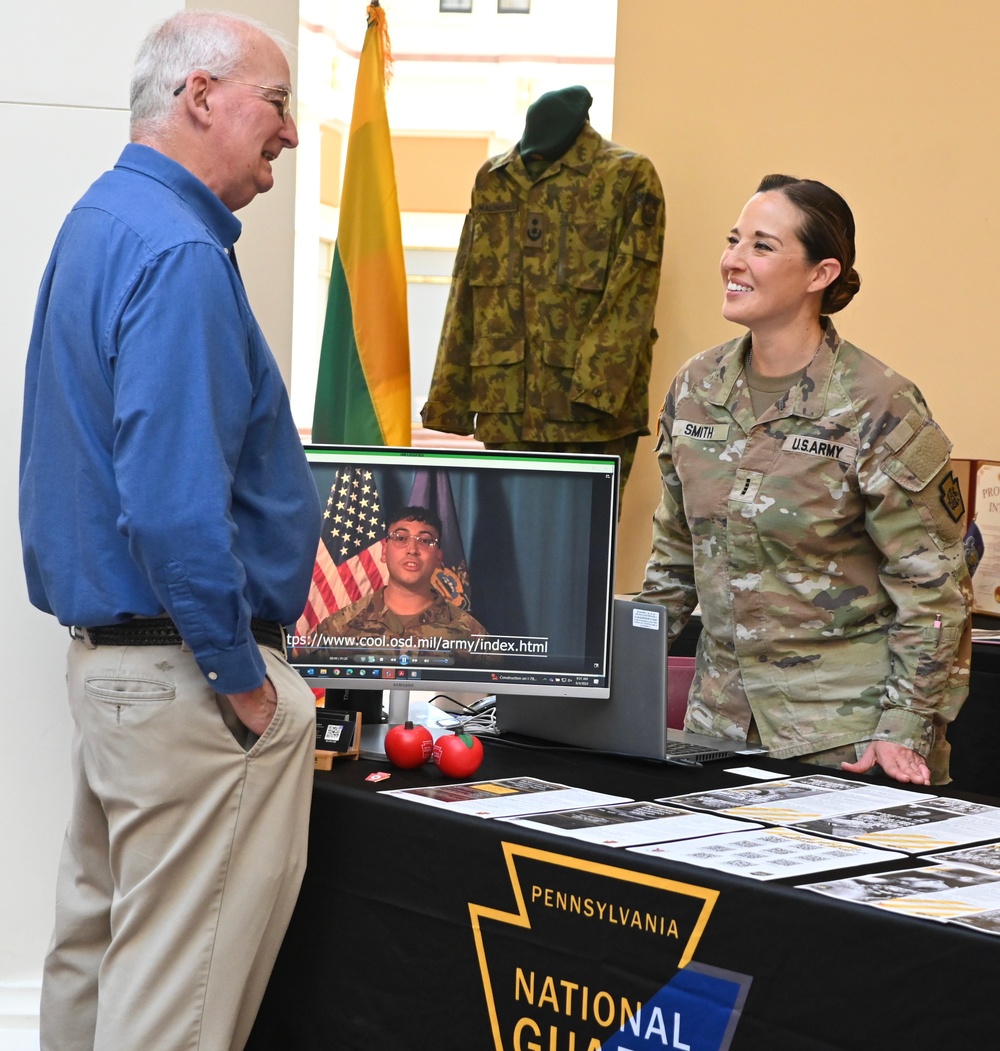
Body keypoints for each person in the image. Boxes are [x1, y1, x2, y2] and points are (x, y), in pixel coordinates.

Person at [19, 12, 322, 1050]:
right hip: (187, 679)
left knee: (99, 965)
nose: (288, 134)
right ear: (199, 96)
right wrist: (241, 678)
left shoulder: (102, 219)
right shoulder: (180, 251)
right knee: (174, 1010)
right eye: (276, 104)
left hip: (118, 670)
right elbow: (170, 504)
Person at [640, 174, 972, 787]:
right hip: (716, 728)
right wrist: (618, 680)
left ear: (821, 274)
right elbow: (675, 554)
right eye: (733, 239)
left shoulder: (879, 403)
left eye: (762, 247)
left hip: (844, 736)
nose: (734, 261)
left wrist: (907, 726)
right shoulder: (696, 387)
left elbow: (935, 584)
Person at [308, 506, 489, 659]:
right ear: (384, 551)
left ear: (439, 558)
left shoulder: (472, 635)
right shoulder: (337, 629)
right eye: (401, 538)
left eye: (425, 541)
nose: (412, 549)